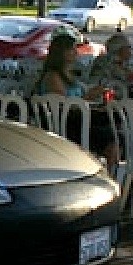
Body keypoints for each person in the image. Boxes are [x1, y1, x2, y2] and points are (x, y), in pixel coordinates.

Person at [30, 32, 118, 167]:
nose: (75, 52)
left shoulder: (69, 76)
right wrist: (88, 97)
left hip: (79, 120)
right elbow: (63, 106)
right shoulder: (53, 77)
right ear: (62, 53)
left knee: (114, 131)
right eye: (72, 48)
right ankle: (110, 174)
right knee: (110, 138)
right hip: (63, 127)